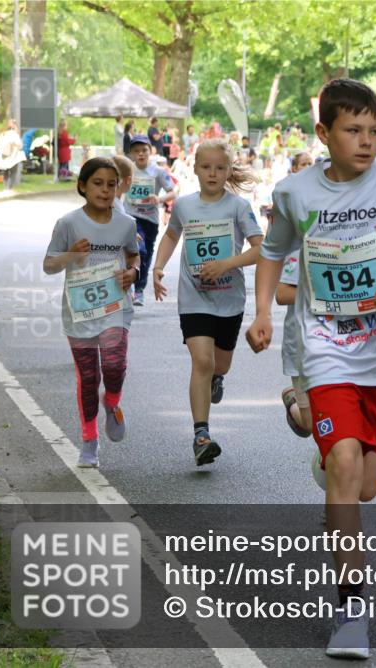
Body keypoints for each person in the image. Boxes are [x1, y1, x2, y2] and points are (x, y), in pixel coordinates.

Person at [245, 78, 376, 659]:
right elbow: (271, 252)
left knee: (363, 484)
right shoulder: (295, 192)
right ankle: (350, 611)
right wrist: (262, 312)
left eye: (373, 131)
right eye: (352, 130)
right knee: (345, 464)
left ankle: (327, 458)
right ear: (324, 133)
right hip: (324, 350)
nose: (366, 142)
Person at [151, 139, 262, 466]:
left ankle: (217, 377)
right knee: (201, 361)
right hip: (194, 297)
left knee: (219, 365)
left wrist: (226, 264)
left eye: (219, 167)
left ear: (228, 171)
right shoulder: (184, 206)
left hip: (230, 299)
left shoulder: (238, 207)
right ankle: (201, 435)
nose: (212, 173)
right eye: (206, 167)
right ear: (195, 168)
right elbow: (171, 235)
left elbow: (261, 248)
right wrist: (158, 267)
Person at [43, 157, 140, 467]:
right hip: (80, 311)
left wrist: (133, 274)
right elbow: (49, 265)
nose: (105, 190)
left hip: (116, 307)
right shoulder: (68, 223)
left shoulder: (126, 223)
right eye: (98, 183)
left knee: (113, 366)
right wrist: (72, 254)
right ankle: (89, 440)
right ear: (83, 186)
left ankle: (111, 402)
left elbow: (134, 256)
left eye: (111, 184)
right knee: (88, 376)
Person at [276, 152, 315, 439]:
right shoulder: (297, 243)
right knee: (309, 424)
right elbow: (283, 294)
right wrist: (327, 295)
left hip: (339, 342)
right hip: (301, 341)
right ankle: (292, 400)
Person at [124, 134, 178, 306]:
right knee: (138, 250)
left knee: (146, 254)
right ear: (131, 153)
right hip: (131, 216)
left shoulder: (158, 172)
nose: (140, 154)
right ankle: (131, 285)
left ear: (151, 151)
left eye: (144, 150)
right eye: (136, 151)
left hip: (150, 220)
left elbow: (173, 191)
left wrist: (159, 199)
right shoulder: (128, 170)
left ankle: (139, 289)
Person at [0, 119, 24, 191]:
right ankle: (9, 188)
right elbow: (20, 145)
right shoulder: (14, 134)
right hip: (13, 156)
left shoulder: (3, 134)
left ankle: (5, 187)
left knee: (6, 171)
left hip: (4, 155)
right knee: (13, 172)